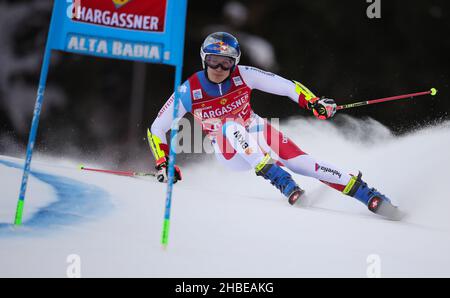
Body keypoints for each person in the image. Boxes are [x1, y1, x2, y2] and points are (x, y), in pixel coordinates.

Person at [147, 32, 401, 220]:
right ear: (204, 59)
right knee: (229, 126)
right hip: (228, 150)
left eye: (227, 62)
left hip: (255, 131)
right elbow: (156, 129)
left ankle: (370, 196)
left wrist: (313, 103)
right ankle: (282, 181)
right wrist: (163, 162)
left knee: (302, 162)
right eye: (214, 60)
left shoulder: (244, 74)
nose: (220, 68)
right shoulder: (189, 89)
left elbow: (287, 87)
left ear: (235, 62)